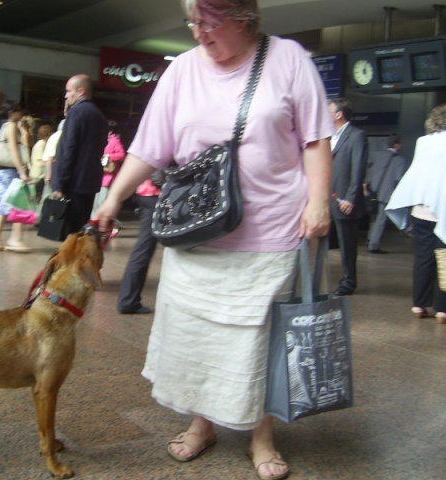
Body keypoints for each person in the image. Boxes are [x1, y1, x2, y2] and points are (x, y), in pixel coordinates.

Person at [93, 1, 334, 478]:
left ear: (242, 15)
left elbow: (315, 139)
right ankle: (202, 424)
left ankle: (261, 436)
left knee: (261, 340)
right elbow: (150, 145)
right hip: (196, 231)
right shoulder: (181, 70)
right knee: (197, 336)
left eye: (207, 21)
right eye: (192, 23)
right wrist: (112, 197)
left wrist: (319, 201)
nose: (197, 32)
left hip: (273, 228)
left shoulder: (288, 59)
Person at [385, 104, 446, 324]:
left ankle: (418, 305)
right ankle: (443, 311)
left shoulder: (423, 143)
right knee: (445, 257)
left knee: (423, 258)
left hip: (421, 210)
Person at [52, 74, 108, 234]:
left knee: (69, 233)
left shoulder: (76, 112)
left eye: (69, 91)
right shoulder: (98, 115)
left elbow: (68, 149)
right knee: (79, 229)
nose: (66, 95)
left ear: (81, 91)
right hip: (89, 182)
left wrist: (60, 184)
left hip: (73, 183)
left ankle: (70, 259)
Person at [328, 97, 368, 296]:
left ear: (338, 114)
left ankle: (348, 282)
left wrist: (351, 198)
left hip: (344, 200)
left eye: (328, 111)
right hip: (326, 198)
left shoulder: (356, 136)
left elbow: (358, 168)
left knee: (347, 244)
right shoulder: (328, 136)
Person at [0, 104, 33, 252]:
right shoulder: (11, 125)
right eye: (19, 111)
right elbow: (13, 149)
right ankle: (15, 240)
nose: (21, 114)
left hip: (2, 170)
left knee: (2, 205)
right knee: (19, 203)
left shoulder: (3, 126)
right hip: (10, 170)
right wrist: (22, 171)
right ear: (12, 112)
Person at [116, 177, 161, 315]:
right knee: (144, 248)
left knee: (144, 247)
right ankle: (128, 301)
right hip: (156, 194)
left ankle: (128, 300)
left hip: (147, 193)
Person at [364, 135, 407, 254]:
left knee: (373, 217)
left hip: (372, 191)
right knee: (381, 220)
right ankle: (373, 245)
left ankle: (369, 238)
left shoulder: (378, 155)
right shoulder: (400, 160)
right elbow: (399, 178)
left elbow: (369, 169)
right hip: (386, 193)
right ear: (396, 144)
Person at [92, 120, 126, 215]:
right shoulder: (102, 140)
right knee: (96, 202)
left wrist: (108, 156)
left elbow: (122, 154)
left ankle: (102, 222)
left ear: (110, 130)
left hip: (107, 176)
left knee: (101, 202)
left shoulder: (115, 141)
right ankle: (95, 222)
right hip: (100, 175)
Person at [30, 122, 54, 204]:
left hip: (36, 173)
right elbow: (41, 160)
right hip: (38, 174)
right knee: (37, 196)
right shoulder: (41, 144)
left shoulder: (41, 143)